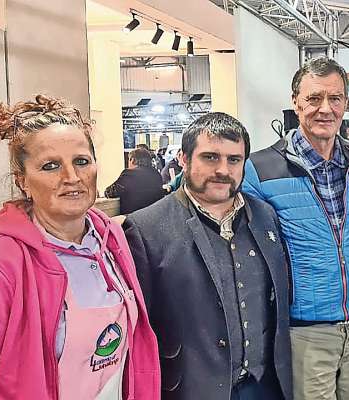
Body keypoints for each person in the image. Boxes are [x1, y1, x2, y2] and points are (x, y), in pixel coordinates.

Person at [0, 94, 160, 399]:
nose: (71, 178)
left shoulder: (112, 243)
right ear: (22, 180)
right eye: (50, 166)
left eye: (81, 162)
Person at [243, 57, 349, 400]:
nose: (325, 109)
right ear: (296, 101)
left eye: (335, 98)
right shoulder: (260, 168)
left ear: (346, 103)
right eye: (314, 99)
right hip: (306, 330)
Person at [123, 112, 292, 400]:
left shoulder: (265, 216)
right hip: (191, 388)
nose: (223, 170)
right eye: (210, 157)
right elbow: (140, 328)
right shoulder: (146, 228)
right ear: (184, 159)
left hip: (264, 385)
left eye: (234, 160)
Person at [105, 148, 165, 215]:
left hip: (134, 220)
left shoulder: (128, 174)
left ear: (132, 160)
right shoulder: (156, 174)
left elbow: (109, 193)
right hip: (154, 217)